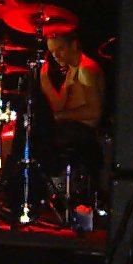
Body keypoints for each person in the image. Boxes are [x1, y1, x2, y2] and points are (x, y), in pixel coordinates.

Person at [39, 27, 105, 185]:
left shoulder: (85, 69)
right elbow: (58, 106)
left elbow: (95, 111)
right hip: (71, 127)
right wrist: (44, 79)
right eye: (52, 52)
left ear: (74, 45)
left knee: (37, 139)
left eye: (60, 49)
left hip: (83, 130)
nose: (56, 56)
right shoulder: (72, 69)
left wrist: (57, 117)